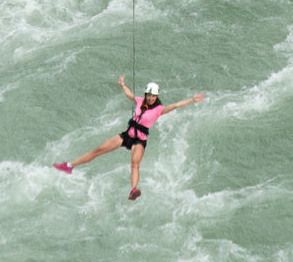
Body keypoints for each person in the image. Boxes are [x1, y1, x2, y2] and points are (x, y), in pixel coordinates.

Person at [53, 75, 206, 200]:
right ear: (145, 95)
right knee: (97, 150)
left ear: (156, 97)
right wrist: (123, 85)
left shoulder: (159, 109)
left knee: (134, 165)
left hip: (139, 141)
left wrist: (192, 100)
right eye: (149, 95)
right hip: (126, 135)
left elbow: (176, 105)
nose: (151, 98)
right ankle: (69, 166)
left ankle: (133, 189)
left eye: (153, 96)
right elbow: (129, 95)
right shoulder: (139, 101)